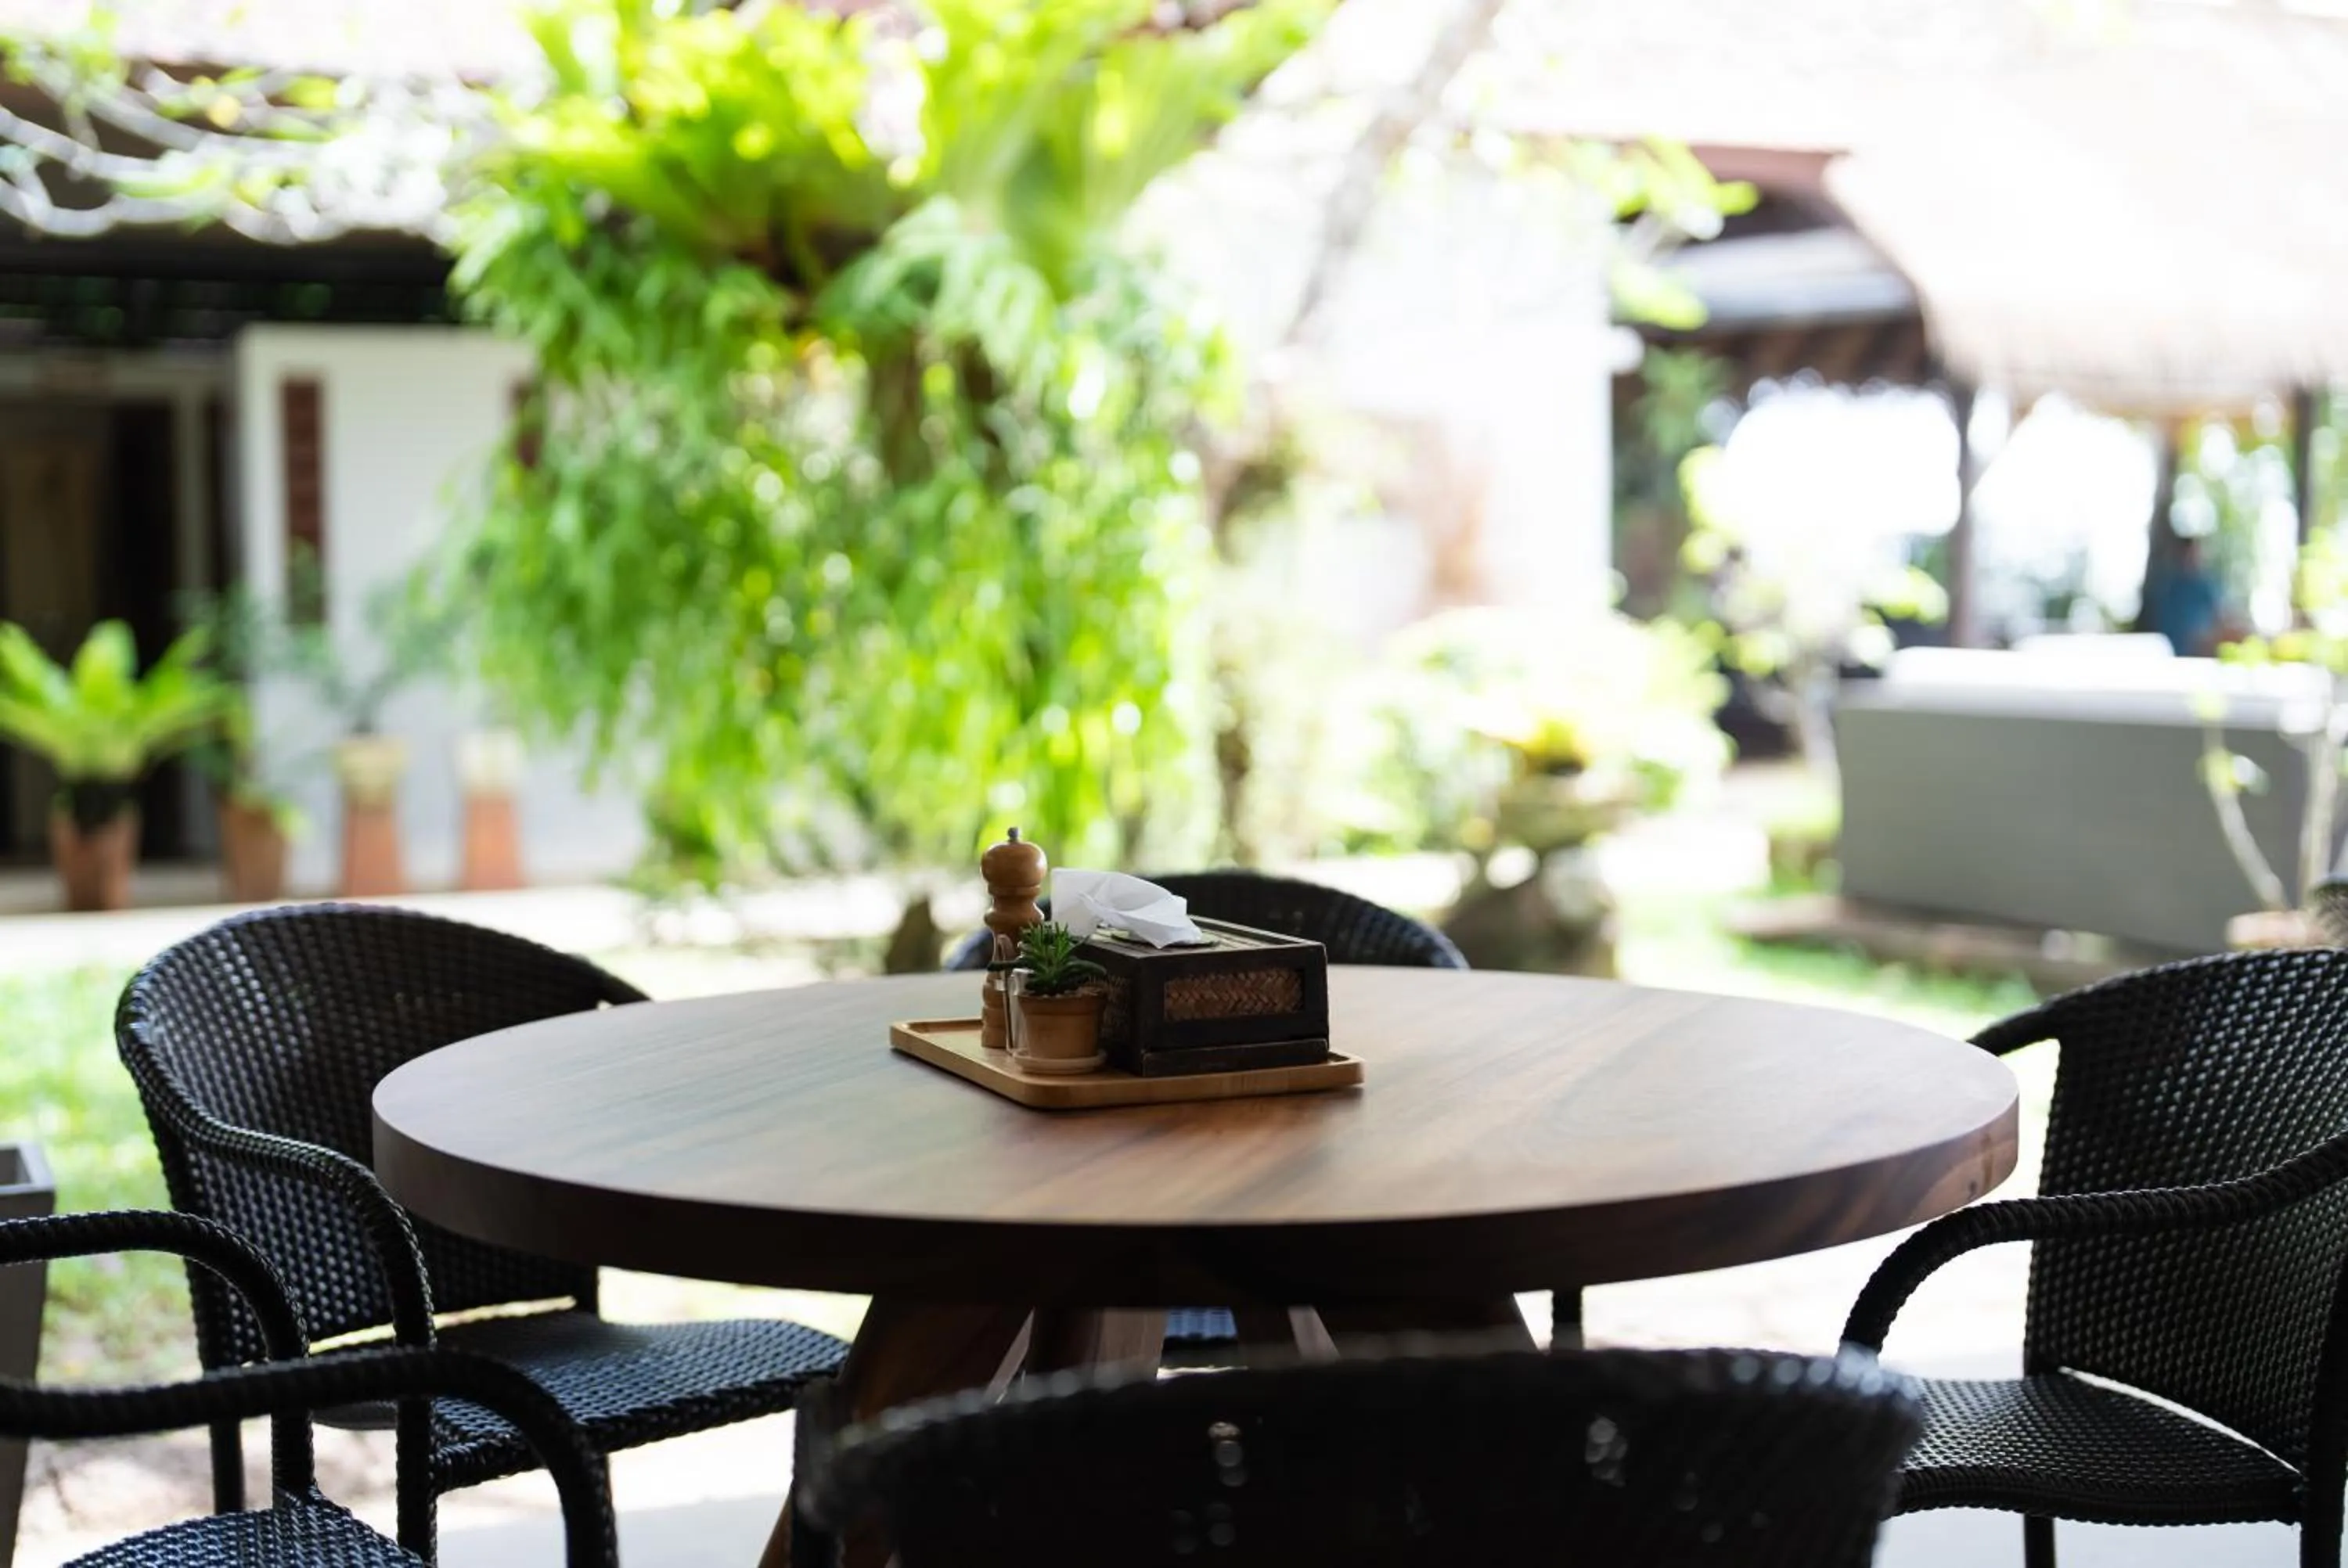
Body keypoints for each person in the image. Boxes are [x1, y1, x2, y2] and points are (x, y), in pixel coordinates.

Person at [2152, 537, 2224, 656]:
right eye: (2191, 553)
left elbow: (2218, 616)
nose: (2195, 558)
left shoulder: (2205, 585)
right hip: (2185, 645)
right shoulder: (2171, 589)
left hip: (2208, 637)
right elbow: (2174, 629)